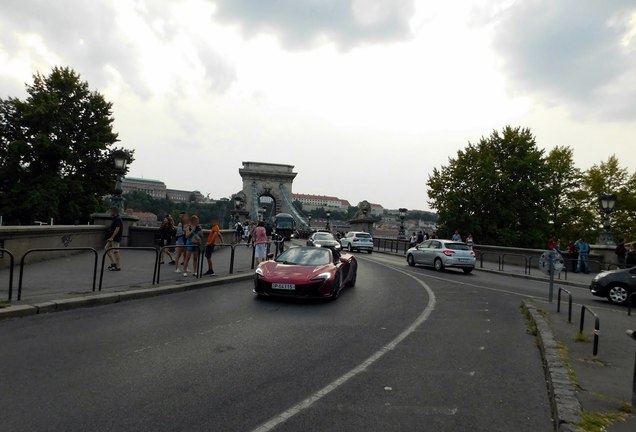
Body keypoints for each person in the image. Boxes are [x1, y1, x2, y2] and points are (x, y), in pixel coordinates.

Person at [105, 207, 123, 271]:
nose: (110, 213)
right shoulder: (115, 218)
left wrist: (112, 237)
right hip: (112, 238)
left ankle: (118, 267)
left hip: (115, 238)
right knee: (106, 249)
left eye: (110, 211)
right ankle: (113, 263)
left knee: (116, 252)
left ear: (114, 212)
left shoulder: (118, 219)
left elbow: (117, 229)